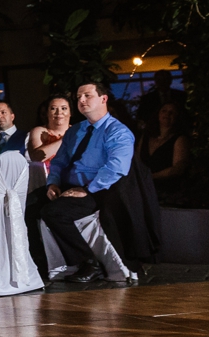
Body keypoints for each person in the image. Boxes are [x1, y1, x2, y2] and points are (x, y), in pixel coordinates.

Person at [27, 81, 137, 283]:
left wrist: (87, 190)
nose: (82, 100)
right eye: (78, 97)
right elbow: (59, 162)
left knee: (54, 212)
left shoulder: (117, 132)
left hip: (99, 190)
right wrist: (53, 183)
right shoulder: (75, 130)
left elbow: (116, 168)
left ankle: (89, 262)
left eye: (87, 96)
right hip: (67, 185)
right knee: (26, 206)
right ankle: (38, 263)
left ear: (103, 99)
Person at [141, 102, 192, 189]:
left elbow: (178, 168)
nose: (167, 114)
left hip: (168, 189)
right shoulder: (146, 137)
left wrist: (151, 177)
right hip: (144, 188)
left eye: (172, 112)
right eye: (164, 111)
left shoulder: (180, 139)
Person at [28, 95, 74, 170]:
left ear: (70, 112)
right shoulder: (39, 131)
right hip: (47, 179)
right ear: (47, 113)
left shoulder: (78, 131)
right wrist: (65, 139)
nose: (59, 112)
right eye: (53, 108)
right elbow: (36, 158)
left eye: (64, 108)